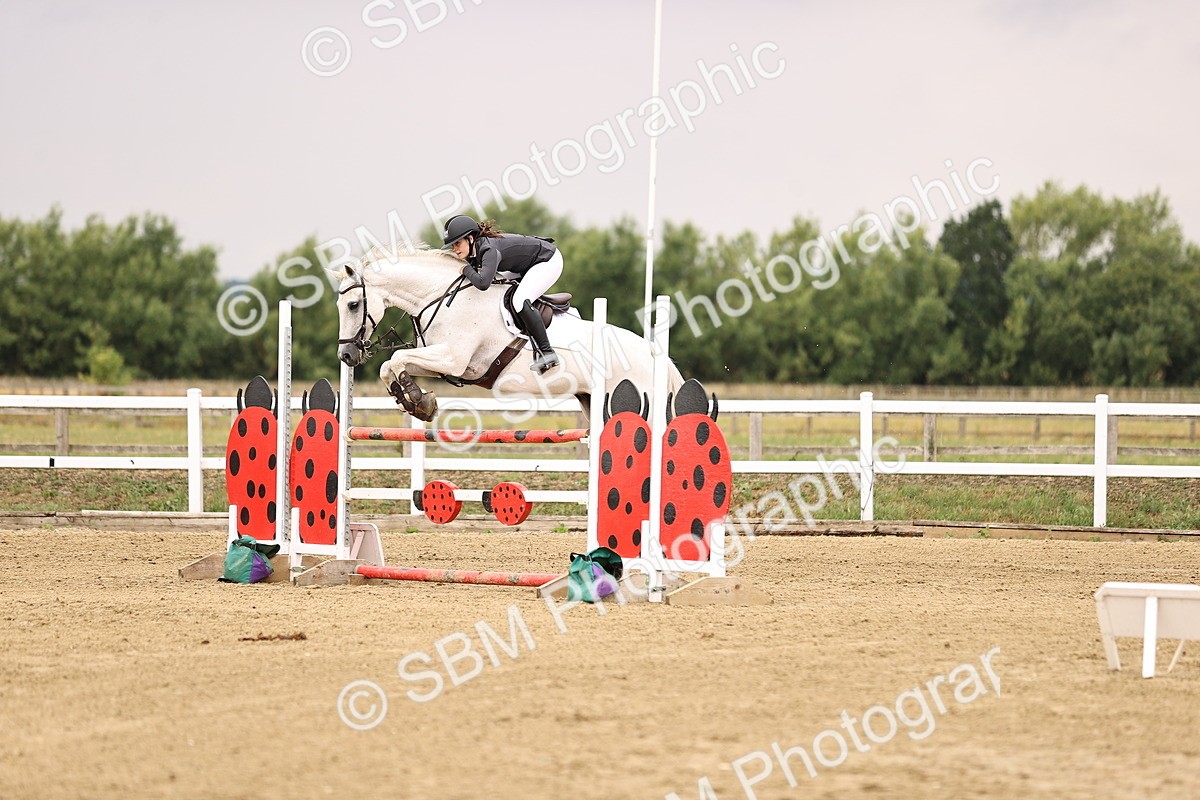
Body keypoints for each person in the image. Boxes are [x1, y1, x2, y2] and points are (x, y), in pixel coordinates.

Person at [442, 214, 562, 373]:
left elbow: (483, 284)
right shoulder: (474, 251)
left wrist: (466, 269)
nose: (454, 249)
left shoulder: (488, 250)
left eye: (457, 243)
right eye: (452, 245)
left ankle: (547, 353)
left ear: (470, 239)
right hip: (524, 265)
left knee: (519, 301)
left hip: (547, 260)